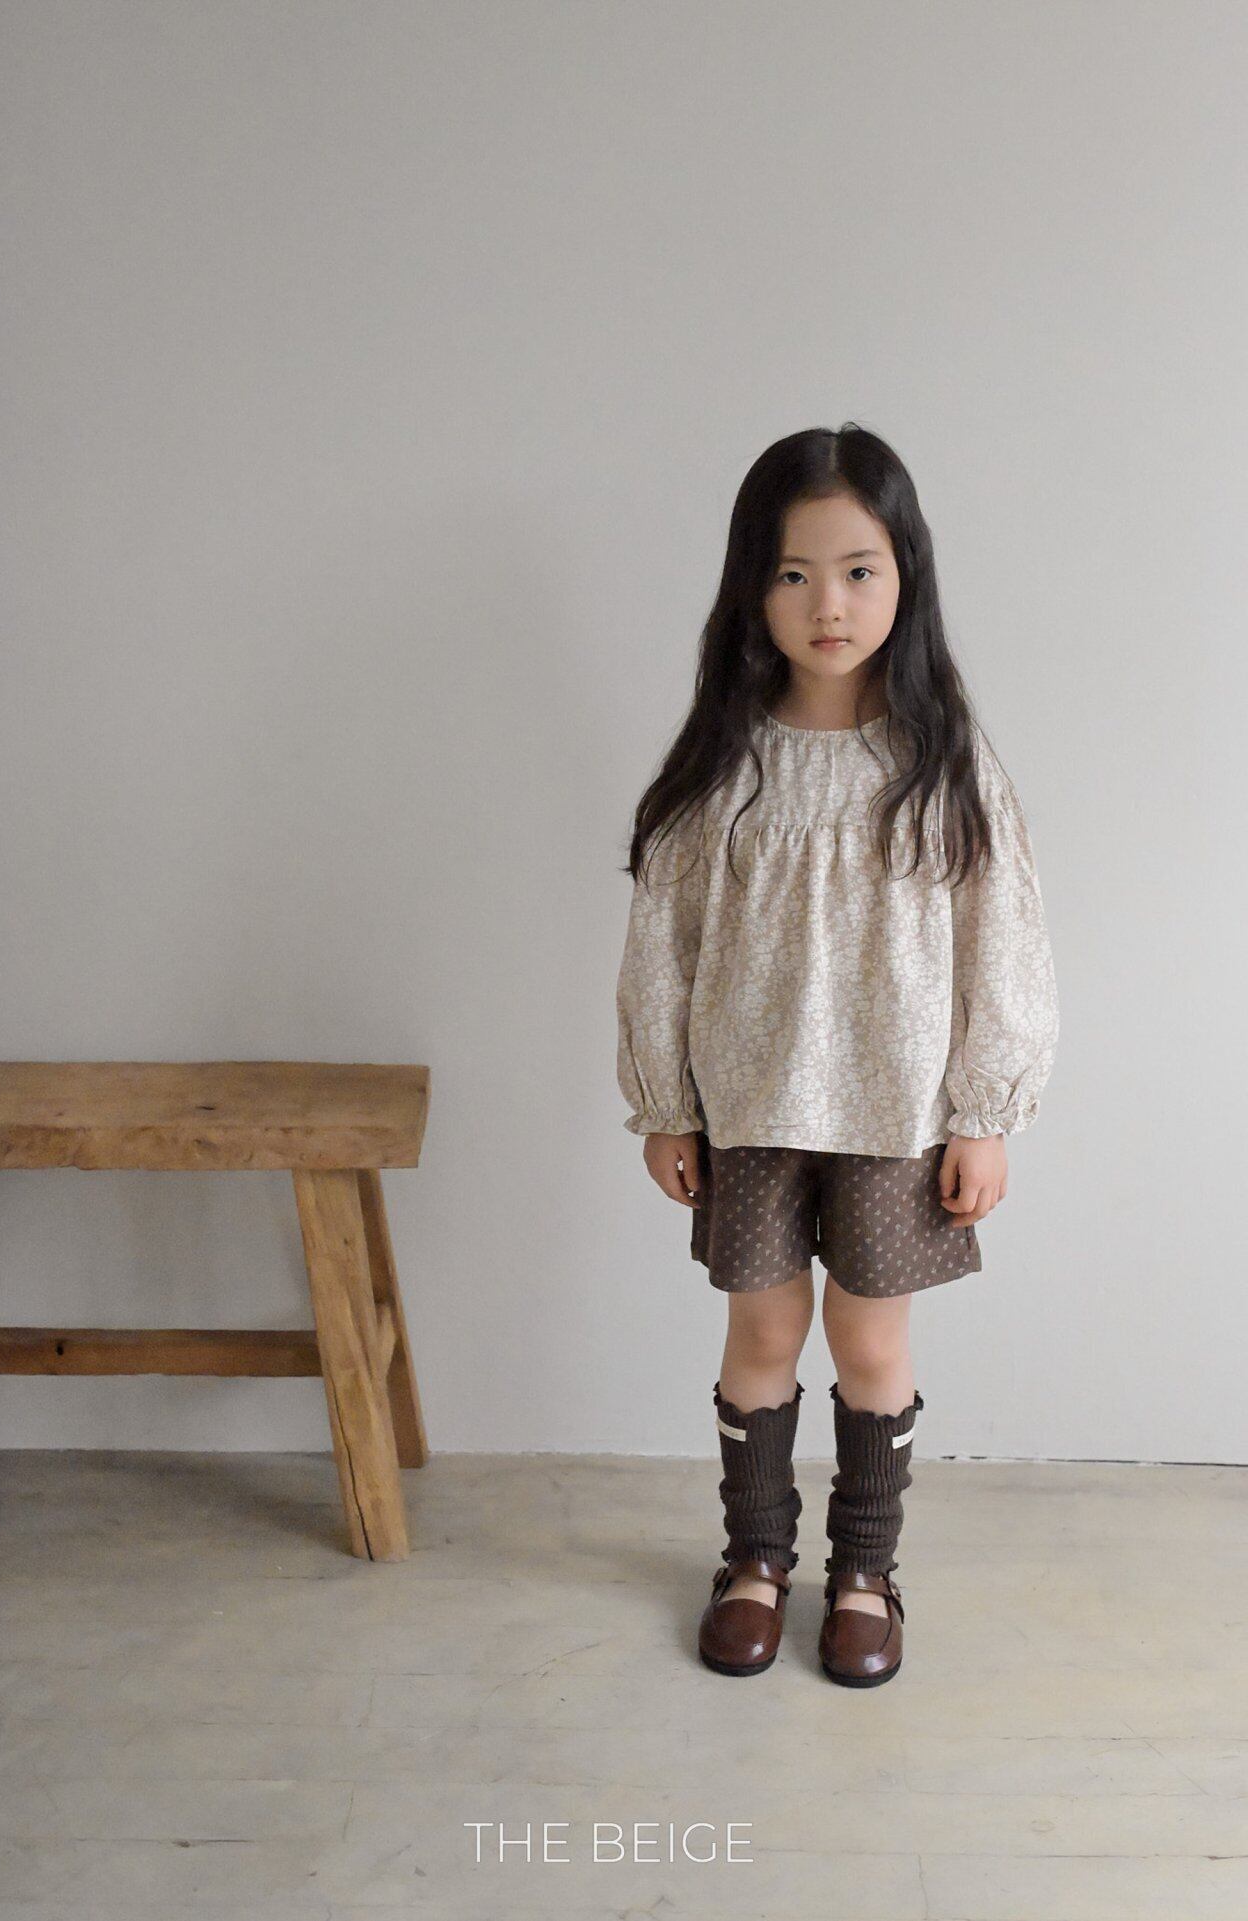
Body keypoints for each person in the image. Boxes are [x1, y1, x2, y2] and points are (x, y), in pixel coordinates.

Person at [614, 423, 1059, 1687]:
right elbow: (662, 943)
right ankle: (753, 1562)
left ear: (904, 575)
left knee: (868, 1345)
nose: (828, 604)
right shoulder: (723, 764)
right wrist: (664, 1102)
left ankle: (864, 1572)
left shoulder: (943, 764)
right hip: (749, 1109)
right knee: (761, 1333)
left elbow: (1002, 942)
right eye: (794, 572)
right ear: (751, 586)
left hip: (897, 1118)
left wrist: (984, 1112)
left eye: (859, 570)